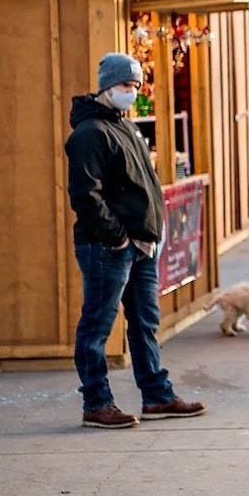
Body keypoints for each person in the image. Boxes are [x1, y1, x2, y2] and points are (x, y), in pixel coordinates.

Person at [65, 53, 207, 429]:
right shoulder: (90, 133)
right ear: (107, 87)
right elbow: (85, 195)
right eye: (126, 86)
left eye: (135, 86)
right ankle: (96, 402)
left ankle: (157, 396)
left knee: (145, 320)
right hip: (109, 247)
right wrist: (117, 237)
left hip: (141, 245)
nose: (132, 92)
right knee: (97, 323)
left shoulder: (124, 127)